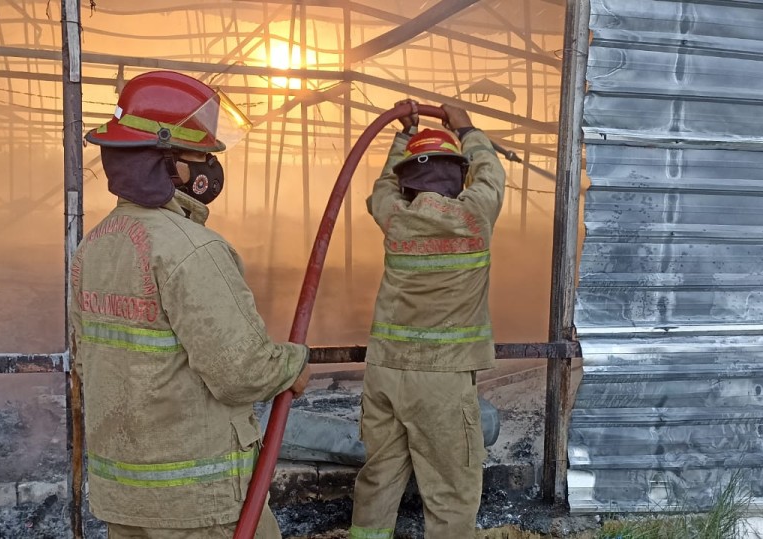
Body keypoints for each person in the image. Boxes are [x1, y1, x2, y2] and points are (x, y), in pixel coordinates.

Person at [71, 70, 312, 539]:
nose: (210, 168)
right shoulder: (193, 250)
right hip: (197, 502)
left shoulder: (94, 247)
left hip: (124, 496)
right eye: (202, 155)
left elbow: (86, 359)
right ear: (169, 164)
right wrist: (292, 364)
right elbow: (243, 372)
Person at [349, 101, 506, 539]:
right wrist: (467, 128)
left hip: (385, 373)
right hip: (441, 378)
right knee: (451, 492)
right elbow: (492, 172)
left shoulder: (395, 217)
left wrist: (404, 134)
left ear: (407, 179)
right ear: (458, 175)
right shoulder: (474, 215)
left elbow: (382, 186)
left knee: (378, 480)